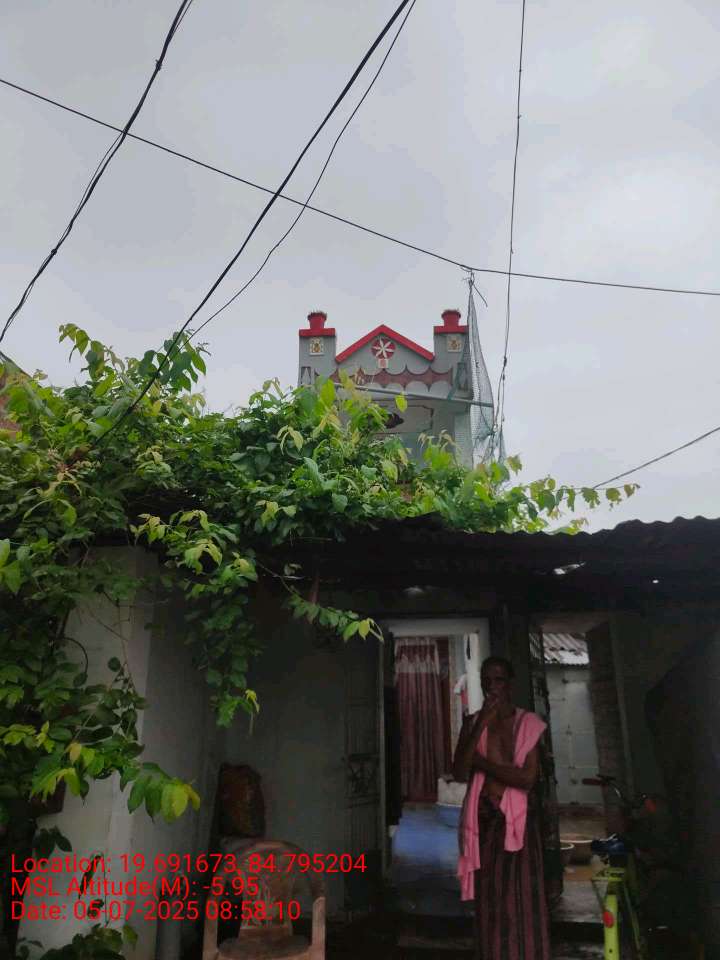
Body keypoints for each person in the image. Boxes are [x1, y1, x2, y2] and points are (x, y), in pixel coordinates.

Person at [452, 656, 551, 960]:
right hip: (483, 820)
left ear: (510, 684)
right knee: (490, 897)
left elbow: (526, 778)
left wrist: (481, 763)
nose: (492, 686)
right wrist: (482, 722)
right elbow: (459, 771)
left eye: (498, 680)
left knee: (521, 897)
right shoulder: (473, 723)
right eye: (486, 680)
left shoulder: (527, 724)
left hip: (518, 822)